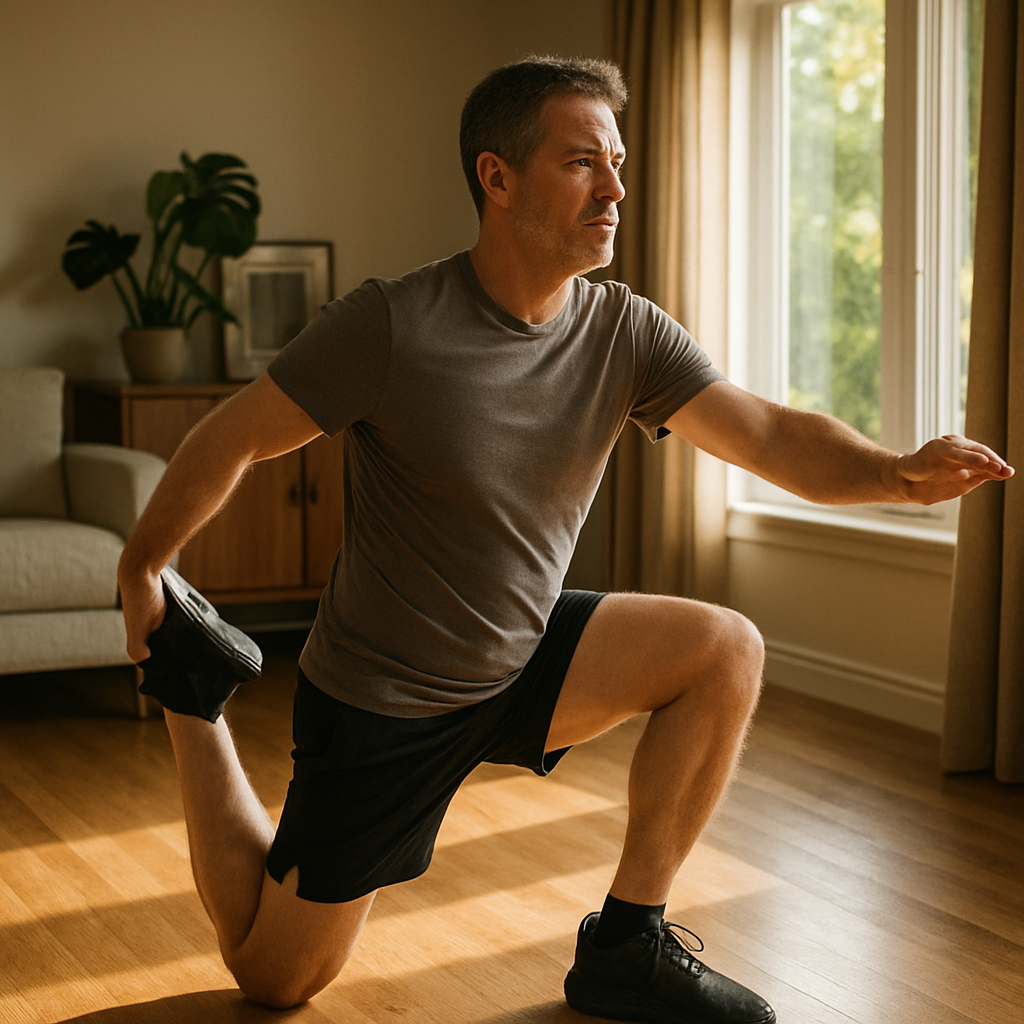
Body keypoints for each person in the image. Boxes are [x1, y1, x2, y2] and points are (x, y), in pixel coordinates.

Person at [117, 56, 1013, 1024]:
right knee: (277, 982)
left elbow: (766, 433)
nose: (617, 189)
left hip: (524, 650)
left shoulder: (623, 329)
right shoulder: (391, 323)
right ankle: (193, 699)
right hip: (386, 696)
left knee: (722, 647)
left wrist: (892, 473)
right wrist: (144, 566)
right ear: (496, 177)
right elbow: (233, 434)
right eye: (583, 162)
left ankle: (628, 945)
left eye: (618, 162)